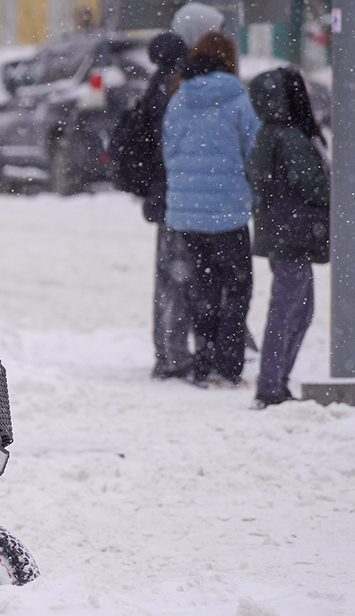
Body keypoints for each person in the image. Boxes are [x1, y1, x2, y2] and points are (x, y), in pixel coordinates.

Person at [161, 32, 261, 387]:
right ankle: (229, 366)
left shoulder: (179, 98)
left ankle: (204, 364)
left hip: (187, 213)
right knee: (236, 288)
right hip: (228, 211)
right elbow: (254, 151)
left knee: (201, 290)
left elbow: (169, 151)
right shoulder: (238, 99)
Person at [247, 68, 330, 408]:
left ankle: (275, 383)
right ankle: (271, 387)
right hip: (293, 235)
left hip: (282, 233)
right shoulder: (290, 136)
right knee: (290, 310)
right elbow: (312, 185)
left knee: (297, 309)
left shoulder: (267, 133)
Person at [137, 33, 194, 380]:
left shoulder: (154, 85)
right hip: (175, 195)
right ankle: (171, 354)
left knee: (168, 276)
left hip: (162, 194)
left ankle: (166, 350)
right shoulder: (172, 89)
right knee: (179, 275)